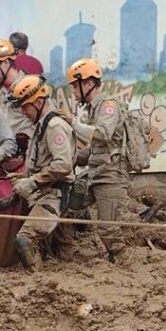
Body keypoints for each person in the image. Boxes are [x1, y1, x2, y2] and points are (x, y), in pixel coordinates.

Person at [8, 75, 75, 272]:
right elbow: (44, 162)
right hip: (46, 193)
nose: (23, 111)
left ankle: (36, 280)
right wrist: (24, 177)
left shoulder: (54, 126)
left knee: (24, 240)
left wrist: (32, 182)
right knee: (61, 254)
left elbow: (63, 165)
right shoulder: (42, 125)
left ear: (38, 102)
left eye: (25, 106)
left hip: (55, 196)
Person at [67, 58, 128, 261]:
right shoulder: (94, 109)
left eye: (76, 86)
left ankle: (123, 264)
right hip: (95, 175)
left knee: (109, 230)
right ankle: (64, 252)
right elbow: (95, 150)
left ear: (89, 83)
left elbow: (102, 135)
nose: (74, 92)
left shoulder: (108, 106)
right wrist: (70, 158)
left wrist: (72, 123)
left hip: (110, 177)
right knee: (68, 204)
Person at [0, 38, 33, 150]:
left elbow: (45, 122)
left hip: (26, 158)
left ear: (5, 63)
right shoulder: (2, 93)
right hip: (6, 157)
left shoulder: (29, 88)